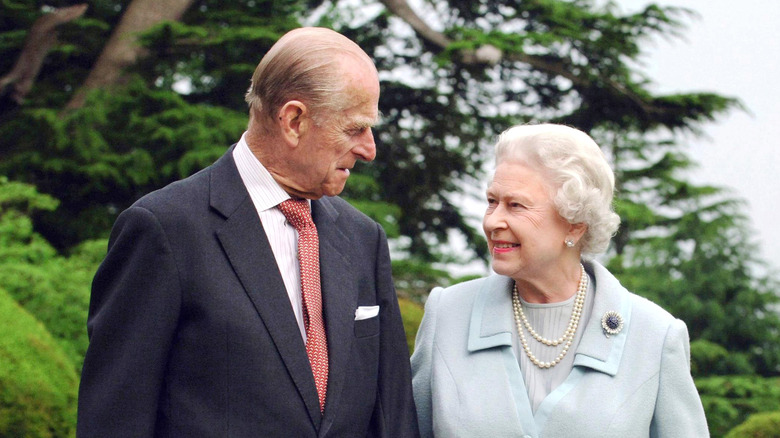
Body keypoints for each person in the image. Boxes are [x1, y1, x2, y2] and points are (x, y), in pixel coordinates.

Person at [77, 27, 419, 437]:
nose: (369, 149)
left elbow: (394, 416)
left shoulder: (364, 239)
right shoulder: (163, 229)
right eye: (354, 129)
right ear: (294, 120)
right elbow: (115, 419)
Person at [410, 123, 709, 437]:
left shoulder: (655, 337)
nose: (493, 220)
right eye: (491, 201)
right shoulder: (447, 314)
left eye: (516, 205)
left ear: (575, 225)